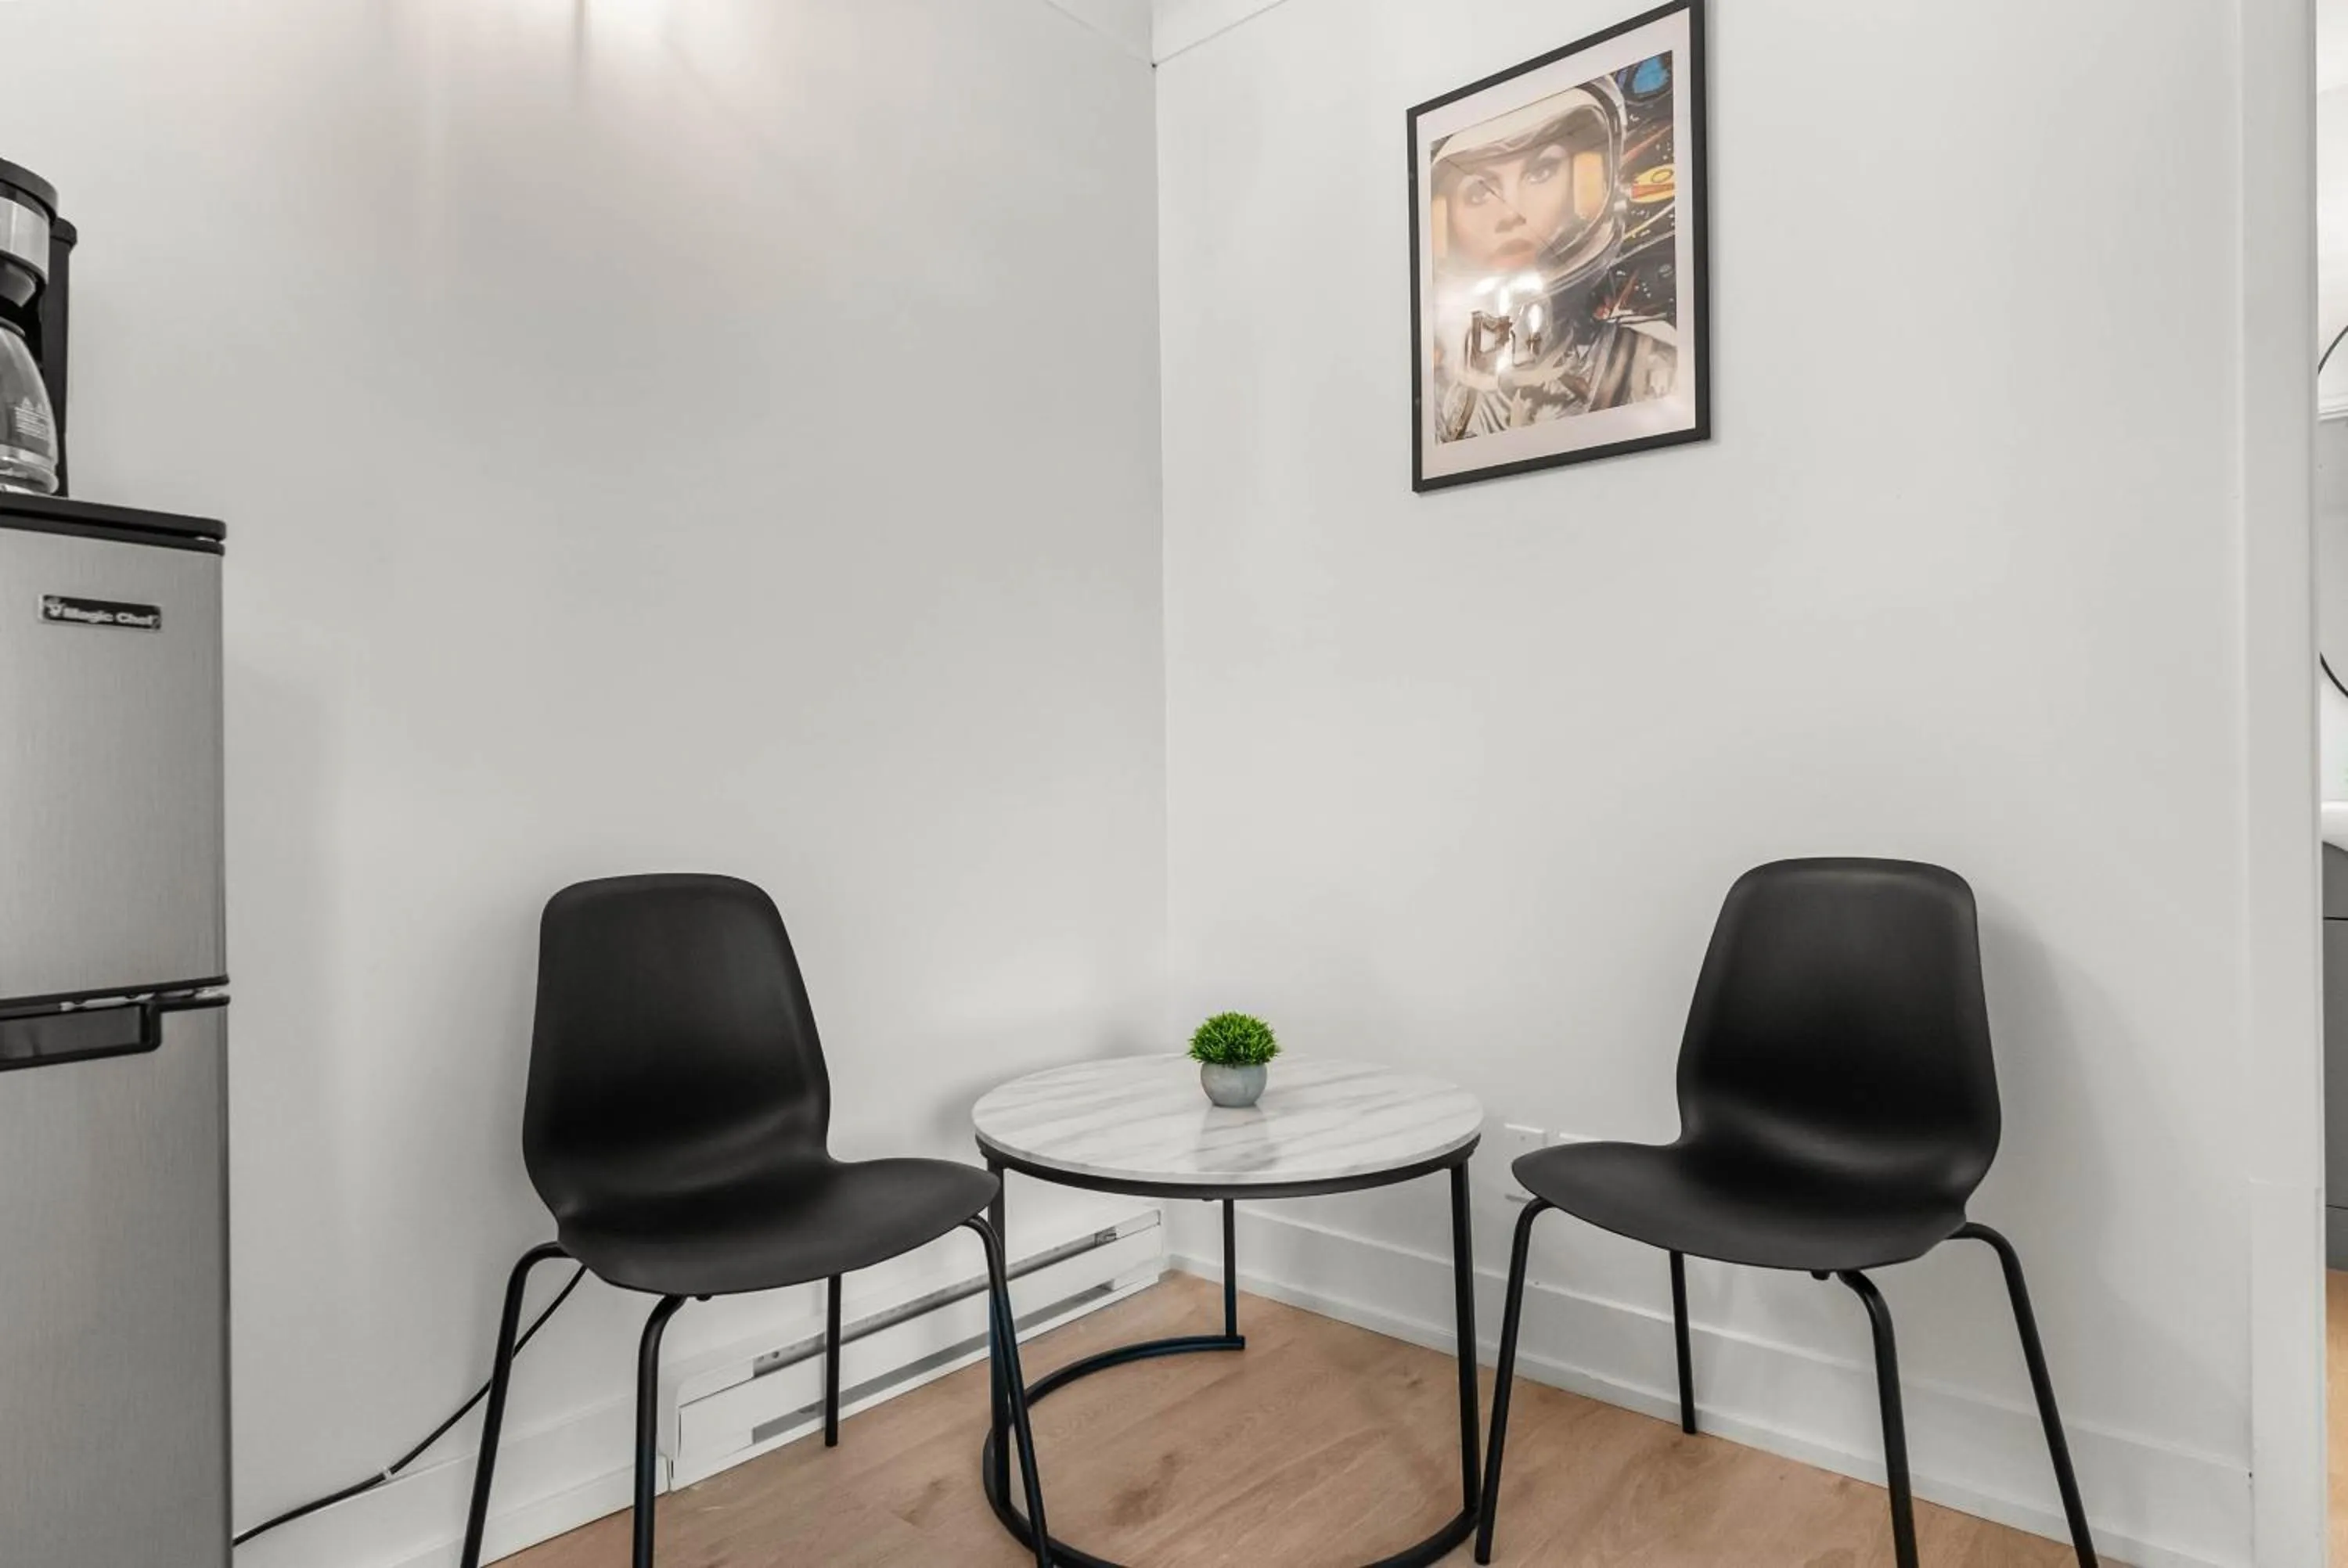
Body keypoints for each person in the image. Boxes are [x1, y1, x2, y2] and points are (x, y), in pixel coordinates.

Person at [1427, 66, 1678, 445]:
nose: (1511, 213)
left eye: (1542, 171)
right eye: (1479, 194)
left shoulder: (1656, 371)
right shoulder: (1439, 402)